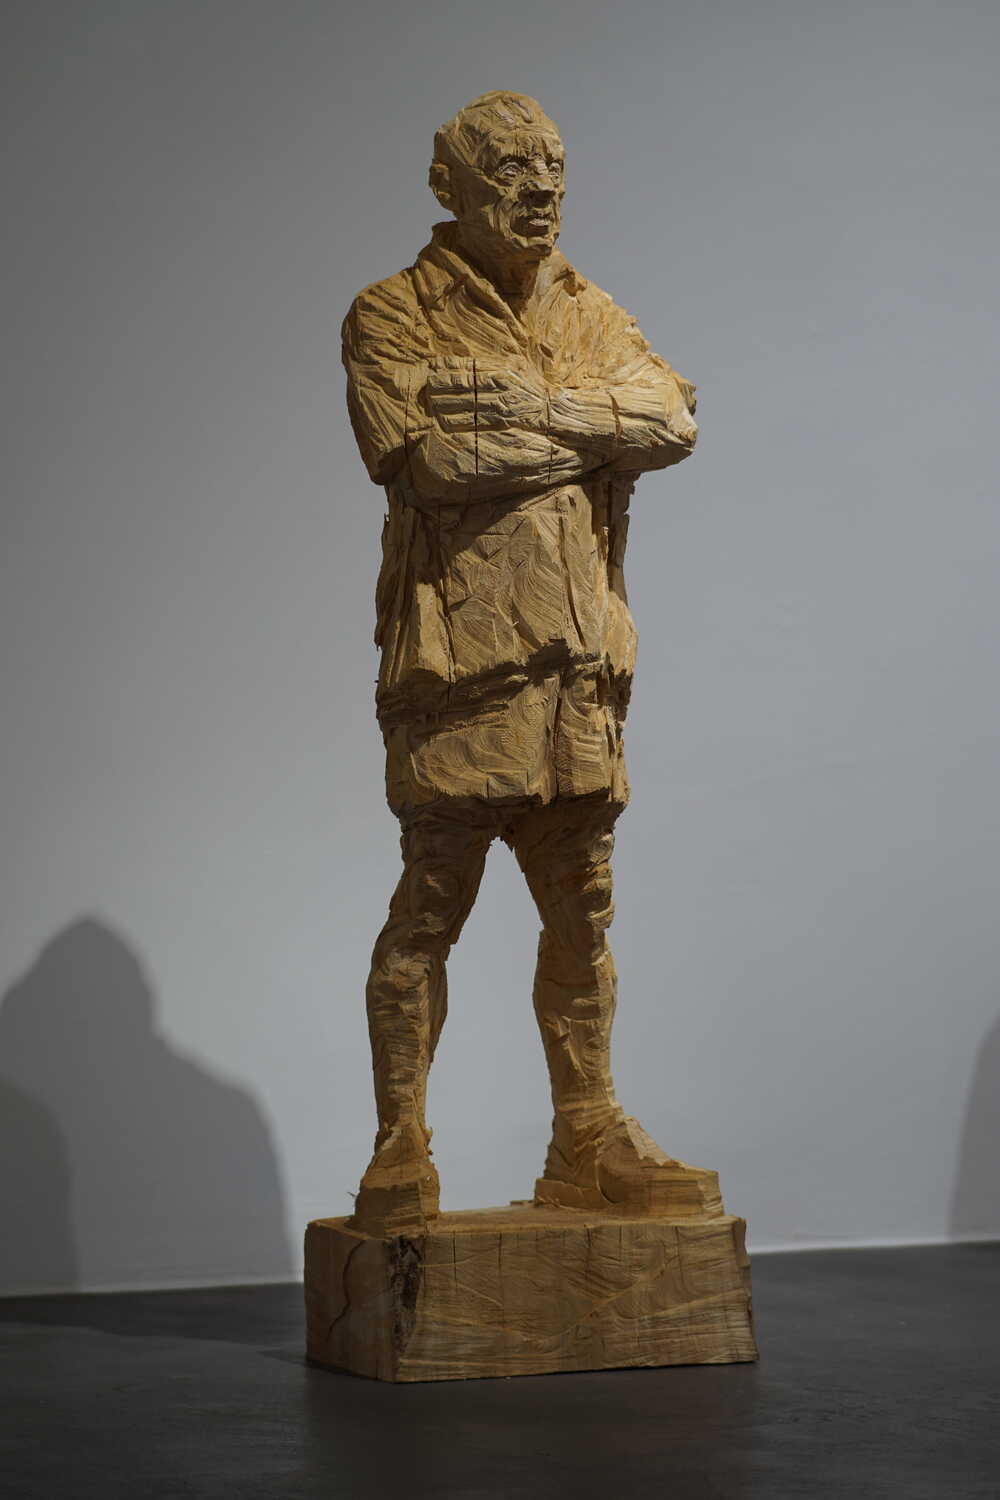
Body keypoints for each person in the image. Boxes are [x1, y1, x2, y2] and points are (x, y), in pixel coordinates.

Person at [342, 91, 722, 1235]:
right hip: (463, 659)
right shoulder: (391, 311)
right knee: (430, 906)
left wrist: (533, 404)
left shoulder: (590, 307)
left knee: (582, 911)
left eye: (552, 164)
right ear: (450, 184)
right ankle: (401, 1140)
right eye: (511, 167)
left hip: (580, 665)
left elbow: (672, 425)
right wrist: (592, 434)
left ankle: (587, 1134)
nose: (541, 186)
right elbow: (427, 458)